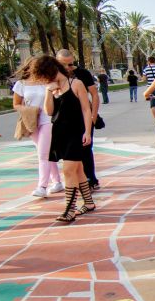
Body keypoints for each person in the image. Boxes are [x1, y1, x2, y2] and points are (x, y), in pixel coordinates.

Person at [36, 55, 94, 222]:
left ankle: (70, 209)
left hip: (77, 132)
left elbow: (86, 109)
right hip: (61, 132)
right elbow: (49, 112)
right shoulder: (53, 88)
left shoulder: (76, 84)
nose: (46, 79)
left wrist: (88, 132)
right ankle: (88, 203)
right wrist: (49, 90)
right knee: (77, 170)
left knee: (68, 170)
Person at [12, 58, 64, 198]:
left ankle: (42, 186)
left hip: (48, 120)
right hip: (32, 121)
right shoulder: (21, 84)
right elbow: (16, 104)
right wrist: (29, 110)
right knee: (45, 153)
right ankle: (57, 181)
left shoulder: (49, 81)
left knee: (43, 153)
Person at [56, 50, 100, 190]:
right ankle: (78, 183)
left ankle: (91, 179)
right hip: (64, 122)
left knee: (85, 149)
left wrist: (93, 115)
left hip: (83, 118)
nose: (68, 68)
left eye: (71, 64)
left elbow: (94, 94)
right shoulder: (54, 75)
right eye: (64, 64)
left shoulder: (83, 74)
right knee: (69, 154)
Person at [143, 56, 155, 125]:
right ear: (154, 61)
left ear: (148, 61)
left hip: (150, 89)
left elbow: (144, 79)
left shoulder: (146, 69)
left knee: (153, 105)